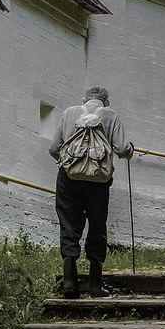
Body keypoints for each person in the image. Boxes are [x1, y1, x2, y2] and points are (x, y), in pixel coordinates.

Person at [49, 86, 133, 297]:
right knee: (97, 226)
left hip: (69, 178)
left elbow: (54, 148)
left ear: (84, 100)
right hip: (99, 180)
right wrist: (131, 149)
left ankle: (69, 283)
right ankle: (95, 285)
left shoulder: (69, 113)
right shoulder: (111, 116)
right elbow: (123, 150)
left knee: (69, 225)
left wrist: (71, 163)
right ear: (106, 102)